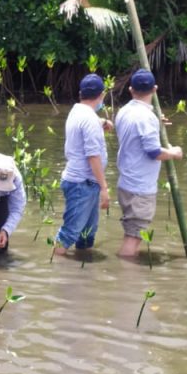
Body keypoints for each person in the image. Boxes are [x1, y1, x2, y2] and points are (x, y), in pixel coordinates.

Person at [114, 70, 184, 258]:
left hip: (125, 184)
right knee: (134, 237)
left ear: (131, 89)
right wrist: (174, 153)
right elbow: (154, 152)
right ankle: (128, 272)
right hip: (139, 188)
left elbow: (136, 136)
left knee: (132, 232)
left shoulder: (124, 111)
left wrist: (156, 124)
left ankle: (125, 267)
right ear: (155, 89)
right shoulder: (146, 117)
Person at [54, 73, 112, 255]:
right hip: (82, 184)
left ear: (81, 94)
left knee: (87, 235)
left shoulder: (77, 111)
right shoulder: (89, 119)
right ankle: (55, 266)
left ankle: (83, 268)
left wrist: (102, 122)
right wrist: (104, 188)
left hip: (85, 183)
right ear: (102, 95)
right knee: (68, 234)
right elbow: (93, 156)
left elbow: (87, 124)